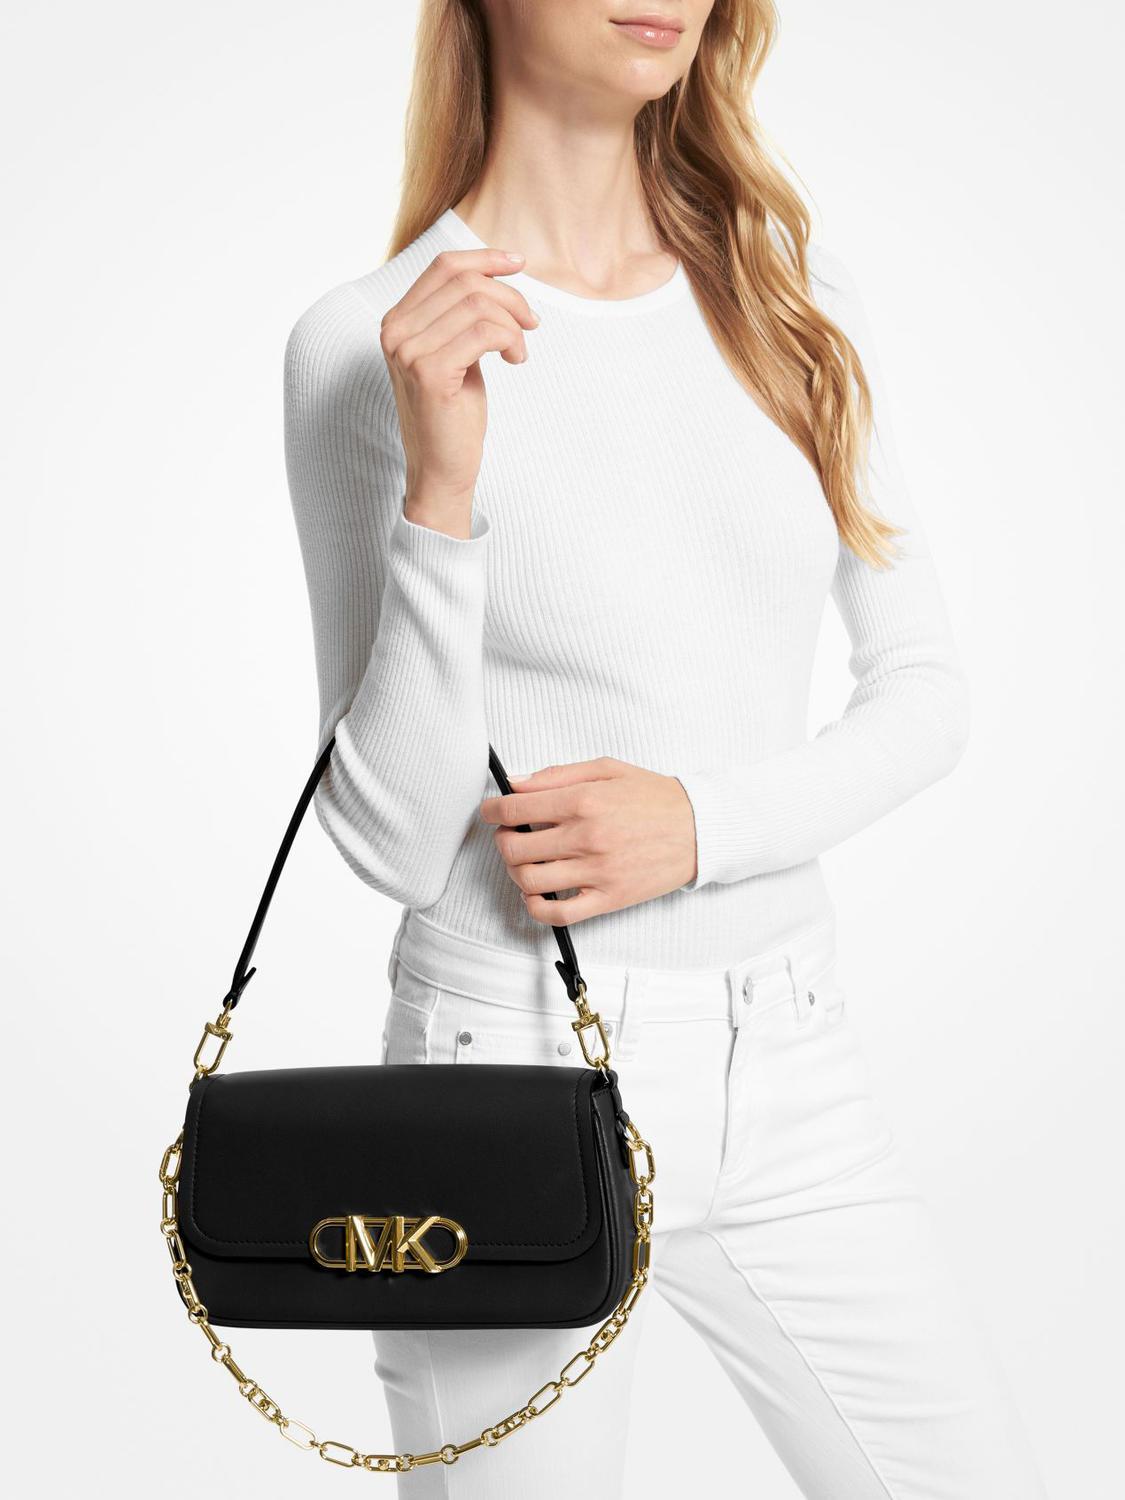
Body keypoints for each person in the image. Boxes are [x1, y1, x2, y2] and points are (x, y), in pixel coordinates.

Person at [285, 2, 1048, 1494]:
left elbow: (925, 690)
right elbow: (390, 837)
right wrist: (442, 488)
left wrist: (701, 823)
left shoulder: (786, 296)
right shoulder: (371, 339)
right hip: (502, 1059)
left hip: (791, 1064)